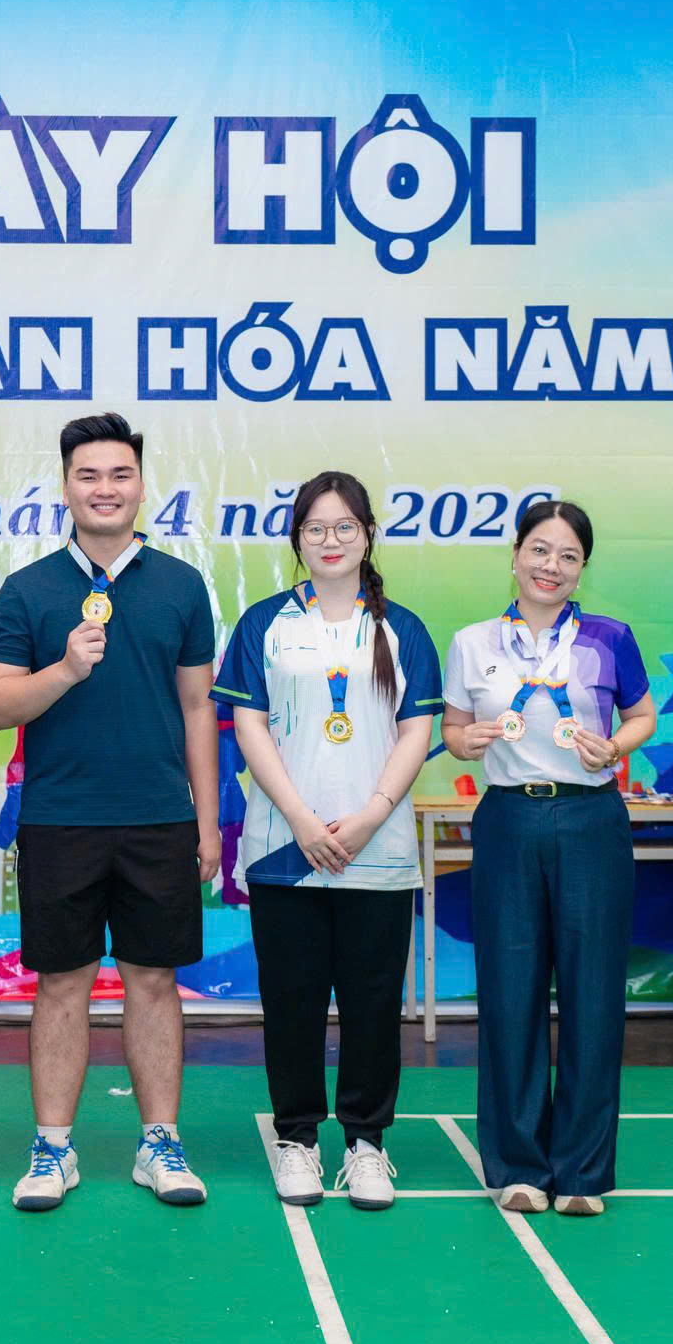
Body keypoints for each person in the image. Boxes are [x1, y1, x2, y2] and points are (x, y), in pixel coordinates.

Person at [0, 413, 220, 1211]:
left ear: (141, 485)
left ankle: (160, 1143)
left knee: (154, 979)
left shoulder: (182, 585)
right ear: (66, 487)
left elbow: (198, 708)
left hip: (159, 819)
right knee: (62, 984)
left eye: (120, 474)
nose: (105, 488)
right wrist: (64, 669)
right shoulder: (29, 588)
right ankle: (54, 1148)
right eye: (88, 475)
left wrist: (207, 822)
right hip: (60, 819)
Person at [215, 473, 440, 1211]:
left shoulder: (403, 628)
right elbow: (249, 726)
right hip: (287, 846)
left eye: (345, 527)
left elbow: (416, 729)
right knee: (293, 1001)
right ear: (298, 540)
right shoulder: (265, 623)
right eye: (316, 528)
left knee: (373, 1004)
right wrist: (303, 819)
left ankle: (367, 1145)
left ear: (368, 534)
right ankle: (298, 1140)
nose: (331, 540)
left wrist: (371, 813)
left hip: (380, 846)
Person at [440, 500, 655, 1219]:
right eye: (539, 549)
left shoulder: (609, 638)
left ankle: (583, 1170)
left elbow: (642, 715)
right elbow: (455, 728)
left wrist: (615, 747)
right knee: (510, 990)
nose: (550, 566)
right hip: (508, 817)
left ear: (582, 568)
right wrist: (466, 741)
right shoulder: (473, 641)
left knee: (594, 992)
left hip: (591, 818)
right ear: (515, 555)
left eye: (567, 555)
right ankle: (518, 1166)